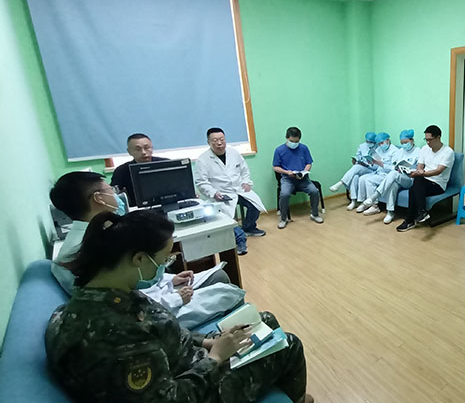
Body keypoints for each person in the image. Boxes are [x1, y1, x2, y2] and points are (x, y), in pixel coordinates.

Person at [45, 210, 325, 403]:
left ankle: (287, 394)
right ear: (138, 259)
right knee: (289, 345)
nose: (165, 267)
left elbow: (163, 330)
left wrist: (206, 342)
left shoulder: (103, 295)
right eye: (164, 259)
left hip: (184, 366)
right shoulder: (114, 335)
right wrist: (215, 358)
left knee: (263, 322)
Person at [49, 172, 240, 327]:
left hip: (152, 296)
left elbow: (135, 275)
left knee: (218, 278)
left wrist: (169, 280)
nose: (116, 195)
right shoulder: (79, 252)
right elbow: (122, 299)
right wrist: (174, 298)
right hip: (146, 313)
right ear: (99, 198)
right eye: (110, 190)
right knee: (229, 293)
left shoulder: (100, 231)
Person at [195, 127, 267, 256]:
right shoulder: (203, 160)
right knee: (226, 219)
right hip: (221, 194)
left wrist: (246, 182)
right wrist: (213, 193)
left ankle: (249, 227)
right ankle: (240, 241)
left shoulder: (234, 153)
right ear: (208, 142)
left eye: (222, 139)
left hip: (239, 189)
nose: (219, 143)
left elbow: (244, 171)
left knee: (255, 205)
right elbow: (201, 182)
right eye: (215, 140)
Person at [396, 125, 455, 232]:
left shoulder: (448, 152)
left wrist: (421, 174)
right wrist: (419, 171)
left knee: (416, 184)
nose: (428, 142)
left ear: (438, 138)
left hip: (438, 184)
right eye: (426, 139)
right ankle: (420, 213)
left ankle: (411, 220)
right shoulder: (425, 149)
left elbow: (438, 171)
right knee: (414, 187)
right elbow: (420, 165)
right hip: (424, 181)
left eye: (430, 140)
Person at [359, 129, 420, 224]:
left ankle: (375, 196)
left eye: (405, 142)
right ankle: (390, 212)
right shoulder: (400, 151)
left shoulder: (418, 151)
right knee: (392, 184)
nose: (404, 145)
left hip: (410, 179)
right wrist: (397, 167)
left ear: (412, 140)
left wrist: (410, 170)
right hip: (399, 176)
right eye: (402, 143)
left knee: (393, 174)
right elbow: (394, 165)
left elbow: (419, 168)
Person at [273, 127, 323, 229]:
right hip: (287, 179)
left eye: (296, 141)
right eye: (291, 141)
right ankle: (283, 219)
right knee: (284, 194)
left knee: (314, 191)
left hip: (302, 179)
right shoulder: (279, 150)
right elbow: (275, 167)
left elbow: (309, 163)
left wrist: (304, 171)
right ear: (287, 138)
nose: (294, 143)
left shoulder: (304, 148)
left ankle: (315, 214)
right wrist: (286, 172)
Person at [110, 133, 167, 206]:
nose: (143, 152)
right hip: (138, 209)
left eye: (147, 148)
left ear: (152, 148)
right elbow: (113, 194)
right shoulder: (121, 171)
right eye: (138, 149)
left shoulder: (165, 164)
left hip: (168, 204)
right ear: (129, 152)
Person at [329, 132, 378, 210]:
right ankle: (354, 201)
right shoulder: (362, 146)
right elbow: (358, 156)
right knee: (355, 176)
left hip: (371, 170)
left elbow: (378, 166)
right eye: (367, 141)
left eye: (371, 142)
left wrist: (368, 164)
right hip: (361, 167)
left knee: (356, 168)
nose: (369, 143)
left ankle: (340, 183)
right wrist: (356, 160)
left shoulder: (378, 149)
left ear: (375, 142)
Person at [353, 132, 400, 213]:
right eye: (379, 144)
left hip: (387, 175)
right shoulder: (378, 150)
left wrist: (381, 164)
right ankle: (363, 202)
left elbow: (394, 168)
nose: (381, 145)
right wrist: (371, 162)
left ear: (388, 140)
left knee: (369, 180)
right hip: (378, 173)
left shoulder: (395, 151)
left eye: (382, 143)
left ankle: (374, 206)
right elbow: (376, 166)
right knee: (362, 178)